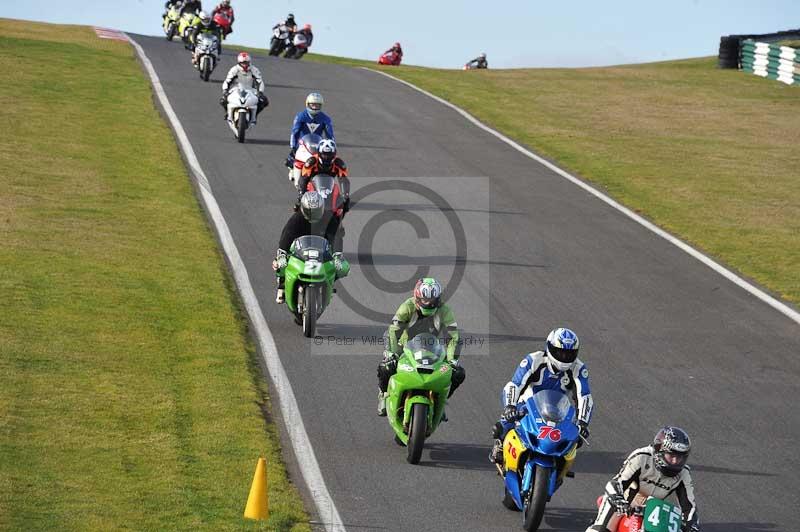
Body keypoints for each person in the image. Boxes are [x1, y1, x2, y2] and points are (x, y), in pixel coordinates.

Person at [489, 327, 593, 465]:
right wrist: (510, 406)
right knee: (501, 427)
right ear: (549, 348)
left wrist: (583, 423)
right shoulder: (534, 360)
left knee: (576, 438)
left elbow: (584, 396)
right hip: (527, 404)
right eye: (560, 352)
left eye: (569, 354)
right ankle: (501, 444)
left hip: (558, 410)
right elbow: (515, 384)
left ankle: (560, 463)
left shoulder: (578, 368)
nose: (564, 357)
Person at [376, 278, 465, 416]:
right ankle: (384, 394)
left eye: (432, 300)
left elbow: (454, 337)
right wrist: (392, 353)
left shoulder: (445, 310)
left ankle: (441, 402)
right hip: (405, 347)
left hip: (433, 350)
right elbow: (393, 331)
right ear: (417, 297)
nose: (428, 303)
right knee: (386, 366)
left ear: (438, 299)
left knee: (458, 373)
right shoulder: (407, 307)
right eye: (425, 300)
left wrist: (451, 360)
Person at [585, 427, 699, 532]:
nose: (675, 461)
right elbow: (616, 483)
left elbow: (689, 506)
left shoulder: (684, 473)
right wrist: (618, 500)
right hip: (624, 504)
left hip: (652, 511)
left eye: (679, 457)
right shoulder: (642, 457)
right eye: (671, 456)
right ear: (660, 451)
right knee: (600, 530)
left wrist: (691, 525)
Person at [272, 191, 349, 304]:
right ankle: (282, 285)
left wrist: (337, 255)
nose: (313, 214)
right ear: (304, 209)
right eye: (309, 211)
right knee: (279, 264)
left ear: (322, 208)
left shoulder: (329, 218)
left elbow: (336, 237)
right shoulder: (297, 218)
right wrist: (282, 253)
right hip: (299, 249)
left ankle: (329, 282)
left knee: (344, 268)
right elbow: (287, 235)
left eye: (316, 211)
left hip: (322, 250)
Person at [286, 93, 335, 170]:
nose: (315, 107)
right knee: (292, 163)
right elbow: (295, 132)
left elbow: (330, 135)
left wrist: (332, 148)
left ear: (321, 106)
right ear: (307, 104)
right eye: (312, 105)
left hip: (317, 145)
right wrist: (293, 147)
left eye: (317, 105)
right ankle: (295, 175)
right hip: (302, 146)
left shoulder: (325, 118)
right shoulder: (300, 116)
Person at [219, 52, 269, 123]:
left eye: (246, 62)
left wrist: (260, 92)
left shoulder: (254, 70)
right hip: (236, 89)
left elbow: (260, 82)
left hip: (251, 89)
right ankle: (227, 113)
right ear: (239, 62)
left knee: (264, 101)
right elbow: (227, 81)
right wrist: (225, 91)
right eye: (243, 63)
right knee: (223, 100)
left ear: (249, 62)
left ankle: (254, 116)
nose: (245, 65)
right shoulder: (234, 69)